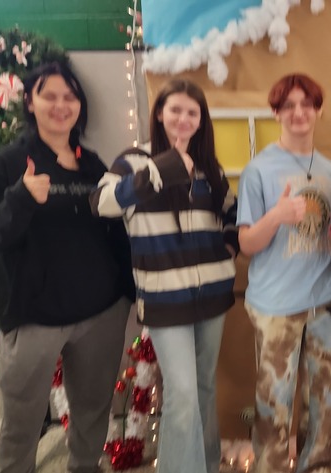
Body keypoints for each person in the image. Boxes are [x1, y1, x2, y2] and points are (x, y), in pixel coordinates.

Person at [0, 61, 134, 473]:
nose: (61, 105)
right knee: (22, 419)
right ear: (30, 102)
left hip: (100, 313)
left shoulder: (92, 164)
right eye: (50, 96)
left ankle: (84, 466)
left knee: (93, 408)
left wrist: (128, 291)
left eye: (69, 97)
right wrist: (21, 197)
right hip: (33, 318)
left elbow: (113, 232)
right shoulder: (9, 162)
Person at [91, 78, 239, 473]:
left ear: (201, 120)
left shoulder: (209, 167)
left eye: (193, 112)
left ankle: (207, 463)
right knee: (183, 394)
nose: (183, 119)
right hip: (163, 299)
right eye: (175, 110)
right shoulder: (133, 161)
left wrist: (229, 245)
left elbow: (231, 210)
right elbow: (101, 202)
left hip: (212, 295)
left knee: (204, 388)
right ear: (159, 113)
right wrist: (159, 170)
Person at [236, 73, 331, 473]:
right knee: (274, 401)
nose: (298, 112)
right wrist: (276, 216)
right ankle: (270, 467)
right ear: (276, 112)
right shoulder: (258, 170)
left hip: (329, 302)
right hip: (276, 306)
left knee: (326, 398)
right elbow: (247, 244)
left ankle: (320, 465)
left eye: (307, 104)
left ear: (319, 110)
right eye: (289, 105)